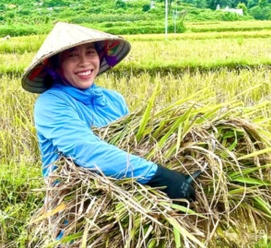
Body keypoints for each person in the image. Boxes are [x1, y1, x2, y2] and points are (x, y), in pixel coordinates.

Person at [21, 22, 197, 203]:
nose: (84, 62)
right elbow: (86, 151)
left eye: (90, 52)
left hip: (129, 204)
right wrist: (160, 176)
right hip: (78, 215)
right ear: (56, 66)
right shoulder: (51, 104)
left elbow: (133, 145)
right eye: (72, 56)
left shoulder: (114, 100)